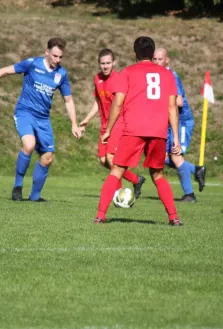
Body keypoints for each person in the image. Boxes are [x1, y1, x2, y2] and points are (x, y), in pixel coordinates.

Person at [0, 38, 83, 202]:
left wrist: (74, 124)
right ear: (47, 52)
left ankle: (35, 197)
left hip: (43, 119)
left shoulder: (61, 74)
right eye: (55, 56)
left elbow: (69, 100)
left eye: (60, 57)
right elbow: (6, 70)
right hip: (25, 112)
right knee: (29, 145)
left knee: (47, 158)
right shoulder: (32, 64)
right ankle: (18, 186)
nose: (57, 60)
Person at [94, 37, 183, 226]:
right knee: (157, 175)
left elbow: (117, 103)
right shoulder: (167, 75)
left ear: (135, 54)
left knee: (117, 170)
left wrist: (108, 129)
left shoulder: (127, 72)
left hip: (133, 128)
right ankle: (174, 217)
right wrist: (175, 137)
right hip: (158, 130)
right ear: (152, 54)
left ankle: (100, 215)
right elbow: (172, 107)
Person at [79, 49, 146, 198]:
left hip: (117, 124)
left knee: (111, 159)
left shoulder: (119, 79)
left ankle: (118, 194)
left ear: (114, 62)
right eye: (102, 63)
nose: (105, 66)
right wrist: (87, 120)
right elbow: (98, 102)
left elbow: (123, 103)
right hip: (104, 126)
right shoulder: (97, 79)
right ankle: (136, 179)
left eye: (108, 63)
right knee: (104, 160)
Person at [152, 48, 205, 202]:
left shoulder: (171, 76)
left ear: (167, 60)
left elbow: (179, 102)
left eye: (160, 59)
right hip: (169, 123)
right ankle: (196, 170)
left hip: (181, 122)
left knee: (176, 156)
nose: (156, 62)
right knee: (160, 158)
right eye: (154, 59)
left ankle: (189, 194)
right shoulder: (157, 77)